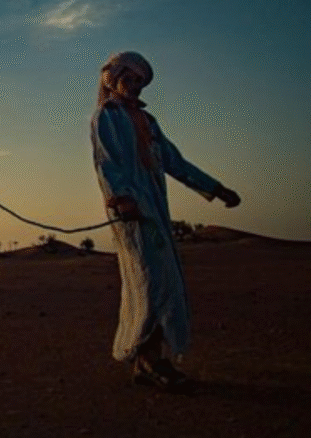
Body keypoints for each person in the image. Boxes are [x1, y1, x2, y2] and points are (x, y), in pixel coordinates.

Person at [90, 51, 241, 391]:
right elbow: (106, 161)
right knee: (149, 283)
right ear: (113, 79)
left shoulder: (149, 121)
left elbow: (174, 161)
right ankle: (150, 361)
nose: (135, 86)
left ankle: (150, 361)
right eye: (129, 79)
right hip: (130, 210)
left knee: (164, 282)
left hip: (155, 206)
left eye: (140, 81)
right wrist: (122, 198)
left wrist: (215, 188)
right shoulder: (107, 116)